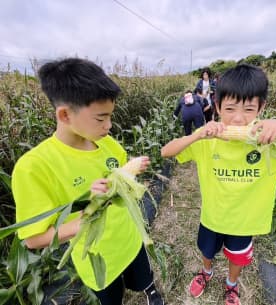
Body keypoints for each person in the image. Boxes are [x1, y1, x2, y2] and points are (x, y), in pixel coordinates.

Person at [161, 63, 276, 305]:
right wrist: (198, 134)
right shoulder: (207, 142)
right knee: (207, 251)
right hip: (212, 217)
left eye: (248, 109)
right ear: (217, 106)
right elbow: (166, 152)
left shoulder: (272, 143)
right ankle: (206, 273)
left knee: (238, 258)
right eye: (230, 108)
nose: (238, 118)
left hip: (245, 222)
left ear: (261, 108)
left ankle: (232, 285)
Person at [12, 58, 164, 305]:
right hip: (99, 259)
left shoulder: (107, 143)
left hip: (131, 237)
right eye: (101, 118)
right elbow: (33, 239)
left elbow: (120, 178)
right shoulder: (34, 167)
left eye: (110, 116)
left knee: (143, 277)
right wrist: (88, 214)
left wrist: (130, 174)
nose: (109, 126)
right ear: (64, 115)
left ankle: (151, 291)